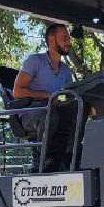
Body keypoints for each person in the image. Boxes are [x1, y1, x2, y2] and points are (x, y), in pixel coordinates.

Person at [13, 22, 78, 169]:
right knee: (51, 115)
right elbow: (17, 92)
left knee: (77, 110)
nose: (69, 41)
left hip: (53, 110)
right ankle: (44, 160)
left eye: (69, 38)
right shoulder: (35, 61)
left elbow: (70, 95)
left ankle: (67, 158)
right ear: (51, 38)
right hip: (32, 113)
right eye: (65, 37)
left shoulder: (66, 70)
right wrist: (48, 96)